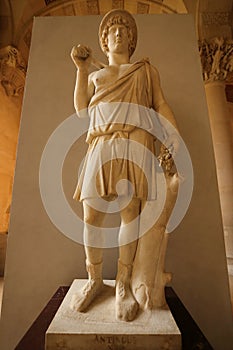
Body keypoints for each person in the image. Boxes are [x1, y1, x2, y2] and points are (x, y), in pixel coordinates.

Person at [70, 9, 179, 322]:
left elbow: (160, 104)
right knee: (91, 217)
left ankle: (122, 284)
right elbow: (80, 111)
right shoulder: (95, 75)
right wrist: (80, 69)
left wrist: (174, 137)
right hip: (101, 146)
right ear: (104, 42)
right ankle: (93, 280)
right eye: (112, 31)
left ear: (132, 39)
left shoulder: (146, 71)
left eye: (124, 31)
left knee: (129, 215)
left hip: (135, 145)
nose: (118, 34)